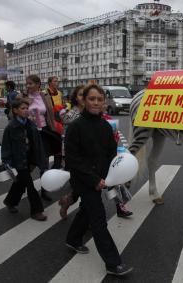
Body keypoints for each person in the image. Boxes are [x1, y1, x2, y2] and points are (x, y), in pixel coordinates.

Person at [65, 84, 133, 276]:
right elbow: (72, 159)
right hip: (83, 180)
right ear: (84, 101)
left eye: (99, 99)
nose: (96, 102)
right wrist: (94, 179)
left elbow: (110, 154)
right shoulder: (75, 126)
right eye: (92, 99)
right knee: (98, 218)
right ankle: (113, 263)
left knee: (87, 210)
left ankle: (72, 239)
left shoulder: (105, 126)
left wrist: (111, 176)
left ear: (104, 102)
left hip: (100, 179)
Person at [1, 98, 47, 221]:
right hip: (18, 161)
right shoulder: (11, 127)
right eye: (23, 108)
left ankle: (10, 201)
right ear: (15, 110)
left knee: (20, 183)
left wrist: (37, 160)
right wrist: (7, 163)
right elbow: (6, 147)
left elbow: (36, 143)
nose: (26, 111)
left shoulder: (30, 124)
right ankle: (36, 211)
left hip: (29, 160)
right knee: (30, 186)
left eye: (27, 108)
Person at [23, 75, 61, 201]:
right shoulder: (23, 97)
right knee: (29, 165)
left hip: (44, 132)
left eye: (30, 84)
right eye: (27, 84)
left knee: (44, 163)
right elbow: (14, 113)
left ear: (38, 84)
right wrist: (27, 114)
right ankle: (17, 190)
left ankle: (44, 190)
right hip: (30, 134)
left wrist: (54, 127)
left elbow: (50, 114)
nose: (28, 86)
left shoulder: (44, 96)